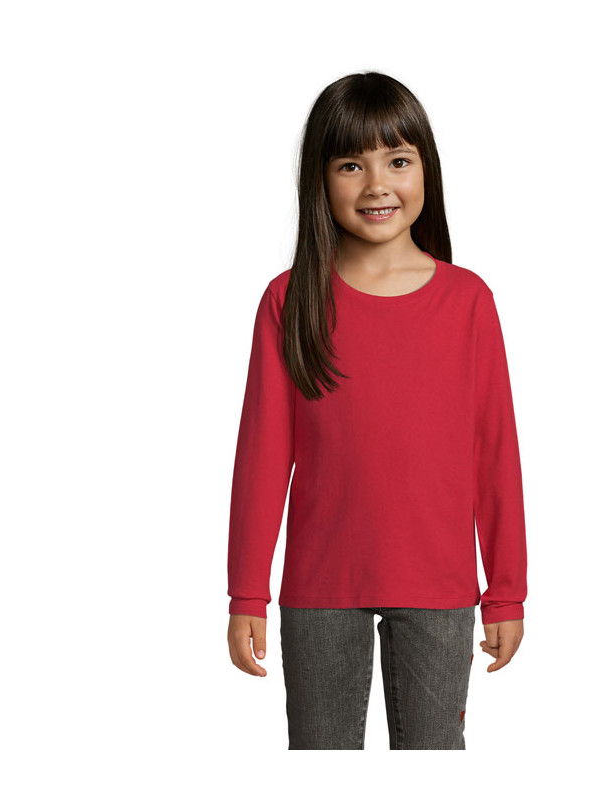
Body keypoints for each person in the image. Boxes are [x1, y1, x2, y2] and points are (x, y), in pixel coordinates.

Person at [226, 71, 528, 750]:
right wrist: (247, 592)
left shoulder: (468, 302)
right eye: (350, 165)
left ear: (426, 169)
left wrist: (506, 590)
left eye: (397, 160)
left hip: (441, 586)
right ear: (319, 178)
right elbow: (263, 456)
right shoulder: (289, 300)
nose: (375, 185)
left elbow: (494, 453)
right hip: (320, 585)